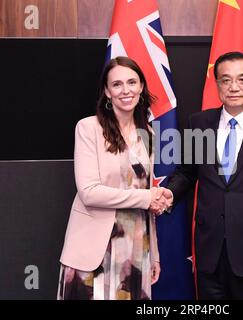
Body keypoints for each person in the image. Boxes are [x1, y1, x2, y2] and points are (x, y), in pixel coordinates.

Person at [160, 51, 243, 299]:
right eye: (226, 80)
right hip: (210, 253)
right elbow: (188, 172)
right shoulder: (198, 123)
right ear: (217, 85)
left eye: (242, 79)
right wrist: (169, 193)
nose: (234, 87)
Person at [57, 56, 169, 300]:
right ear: (107, 92)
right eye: (117, 84)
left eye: (132, 82)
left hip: (136, 250)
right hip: (94, 248)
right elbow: (89, 192)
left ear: (141, 87)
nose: (125, 90)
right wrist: (146, 196)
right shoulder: (88, 128)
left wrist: (154, 254)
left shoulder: (148, 134)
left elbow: (147, 197)